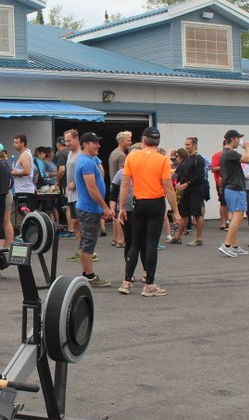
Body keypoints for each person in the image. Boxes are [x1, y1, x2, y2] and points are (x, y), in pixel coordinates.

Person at [116, 126, 179, 296]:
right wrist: (176, 212)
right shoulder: (163, 160)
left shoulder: (132, 157)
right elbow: (169, 188)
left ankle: (127, 281)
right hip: (156, 204)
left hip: (139, 204)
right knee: (151, 243)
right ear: (157, 142)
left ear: (143, 141)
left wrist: (122, 207)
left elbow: (125, 184)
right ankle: (149, 284)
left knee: (135, 242)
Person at [73, 132, 111, 286]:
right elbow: (92, 188)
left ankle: (87, 274)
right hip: (89, 209)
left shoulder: (89, 160)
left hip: (89, 208)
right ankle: (89, 276)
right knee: (88, 242)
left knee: (86, 241)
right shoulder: (87, 162)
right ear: (86, 144)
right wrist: (105, 207)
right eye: (95, 143)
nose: (99, 145)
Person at [217, 130, 249, 257]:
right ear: (233, 139)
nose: (239, 141)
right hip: (236, 189)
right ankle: (226, 245)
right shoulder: (230, 153)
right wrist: (247, 148)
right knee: (238, 216)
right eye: (238, 139)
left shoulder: (225, 154)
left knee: (235, 217)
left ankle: (234, 246)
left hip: (230, 188)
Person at [173, 137, 207, 246]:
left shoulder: (199, 159)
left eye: (188, 144)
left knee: (197, 214)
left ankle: (198, 239)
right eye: (185, 144)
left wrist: (186, 184)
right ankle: (177, 237)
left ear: (194, 145)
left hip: (197, 190)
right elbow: (186, 174)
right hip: (186, 190)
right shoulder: (187, 159)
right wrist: (180, 183)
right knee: (184, 213)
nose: (186, 147)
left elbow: (199, 176)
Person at [108, 131, 131, 247]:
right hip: (120, 187)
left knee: (115, 212)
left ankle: (116, 238)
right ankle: (121, 240)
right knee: (121, 213)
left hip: (113, 184)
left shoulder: (113, 153)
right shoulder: (122, 155)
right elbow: (124, 173)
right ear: (122, 141)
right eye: (128, 140)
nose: (130, 143)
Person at [10, 133, 38, 219]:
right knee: (24, 215)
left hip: (25, 190)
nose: (14, 144)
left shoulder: (25, 155)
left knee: (25, 215)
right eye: (14, 142)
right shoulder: (25, 154)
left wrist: (12, 173)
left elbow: (27, 171)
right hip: (22, 189)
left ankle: (28, 232)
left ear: (23, 143)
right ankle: (26, 232)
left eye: (16, 142)